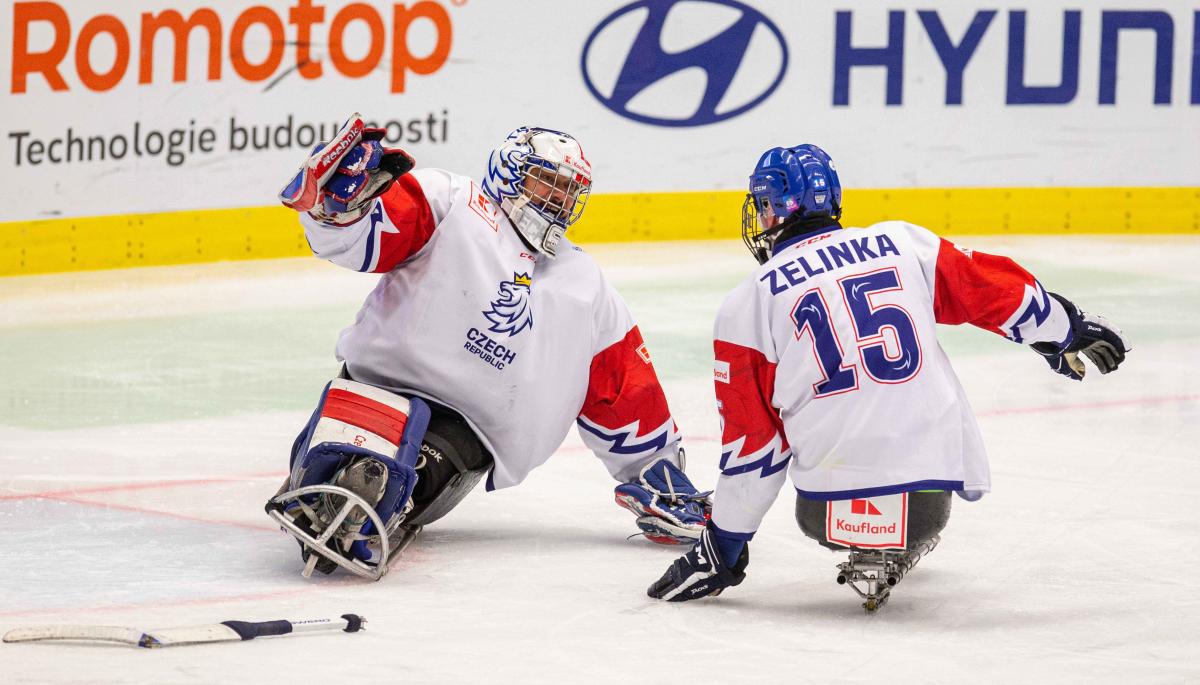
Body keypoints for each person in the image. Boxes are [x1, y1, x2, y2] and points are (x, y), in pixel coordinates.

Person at [647, 144, 1130, 609]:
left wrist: (723, 546)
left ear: (772, 209)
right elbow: (989, 289)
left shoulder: (745, 303)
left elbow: (754, 446)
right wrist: (1063, 329)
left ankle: (855, 527)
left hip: (824, 513)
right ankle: (901, 528)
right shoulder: (902, 243)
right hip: (925, 496)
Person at [265, 114, 709, 580]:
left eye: (568, 193)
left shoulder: (585, 284)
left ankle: (365, 494)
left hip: (470, 427)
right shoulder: (454, 201)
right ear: (509, 172)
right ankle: (330, 479)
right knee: (344, 443)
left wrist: (653, 470)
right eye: (546, 183)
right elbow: (379, 231)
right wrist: (342, 208)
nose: (556, 200)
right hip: (375, 383)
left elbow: (622, 384)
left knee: (406, 476)